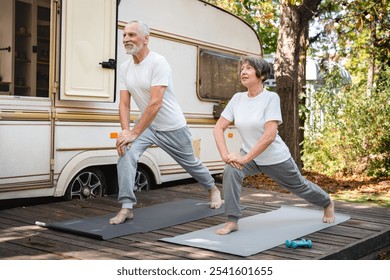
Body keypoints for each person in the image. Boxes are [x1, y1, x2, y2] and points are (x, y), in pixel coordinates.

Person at [109, 20, 222, 225]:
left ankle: (213, 189)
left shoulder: (158, 62)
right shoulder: (125, 68)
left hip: (172, 126)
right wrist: (126, 132)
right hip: (148, 126)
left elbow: (155, 103)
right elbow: (124, 104)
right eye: (124, 35)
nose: (126, 39)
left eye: (132, 35)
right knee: (126, 154)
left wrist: (133, 132)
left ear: (145, 39)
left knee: (191, 164)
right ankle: (126, 207)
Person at [213, 56, 335, 235]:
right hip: (250, 156)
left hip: (275, 158)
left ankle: (327, 202)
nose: (243, 72)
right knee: (231, 170)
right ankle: (232, 220)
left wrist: (244, 158)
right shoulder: (237, 99)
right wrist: (226, 156)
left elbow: (269, 135)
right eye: (242, 69)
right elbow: (218, 128)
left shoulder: (271, 98)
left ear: (261, 75)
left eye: (248, 68)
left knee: (300, 186)